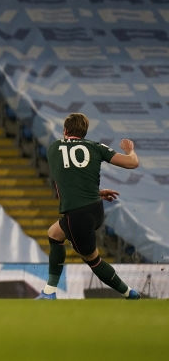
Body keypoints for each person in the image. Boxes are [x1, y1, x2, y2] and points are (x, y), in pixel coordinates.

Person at [37, 113, 141, 300]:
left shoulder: (54, 148)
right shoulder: (95, 147)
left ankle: (129, 293)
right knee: (54, 233)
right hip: (95, 209)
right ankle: (49, 291)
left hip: (76, 215)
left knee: (93, 260)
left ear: (65, 130)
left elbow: (65, 179)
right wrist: (130, 151)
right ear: (84, 132)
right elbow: (133, 163)